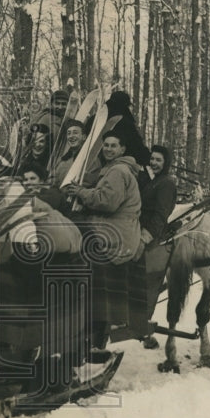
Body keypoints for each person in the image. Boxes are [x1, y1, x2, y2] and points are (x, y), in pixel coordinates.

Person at [63, 129, 141, 352]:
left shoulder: (118, 170)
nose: (108, 149)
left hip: (115, 234)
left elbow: (107, 202)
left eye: (113, 146)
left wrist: (80, 192)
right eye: (105, 145)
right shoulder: (115, 169)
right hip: (117, 229)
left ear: (122, 149)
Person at [136, 144, 178, 348]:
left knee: (148, 282)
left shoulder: (167, 183)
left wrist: (148, 235)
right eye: (152, 159)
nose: (154, 163)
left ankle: (141, 323)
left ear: (166, 163)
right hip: (138, 231)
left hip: (151, 237)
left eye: (158, 160)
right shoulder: (153, 180)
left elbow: (161, 214)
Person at [52, 119, 85, 185]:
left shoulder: (89, 159)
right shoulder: (62, 160)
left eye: (75, 133)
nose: (71, 136)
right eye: (69, 133)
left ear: (84, 137)